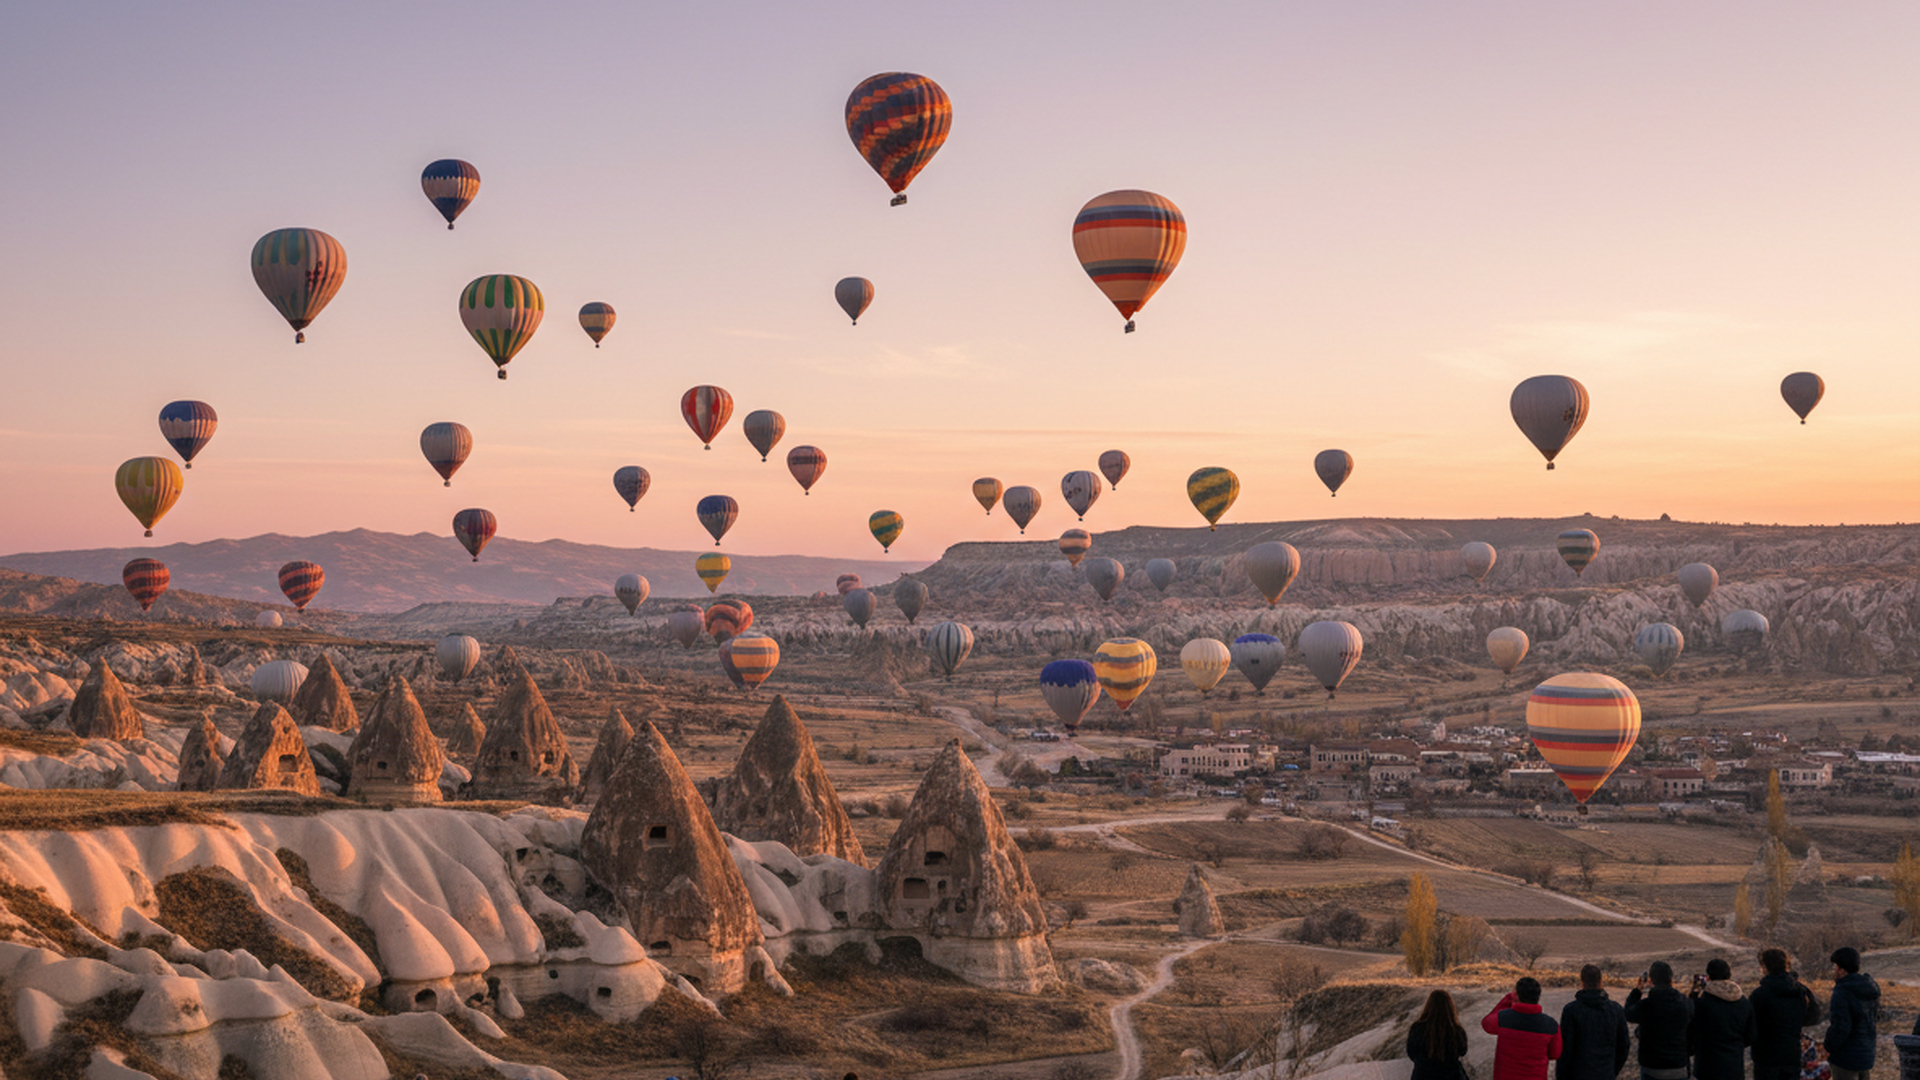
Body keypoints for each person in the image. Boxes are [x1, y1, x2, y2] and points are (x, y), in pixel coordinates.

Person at [1751, 948, 1822, 1080]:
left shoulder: (1759, 994)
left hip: (1765, 1056)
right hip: (1792, 1054)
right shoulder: (1800, 990)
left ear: (1765, 967)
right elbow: (1814, 1015)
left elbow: (1750, 1025)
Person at [1559, 964, 1630, 1080]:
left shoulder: (1571, 1011)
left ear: (1582, 982)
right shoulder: (1616, 1010)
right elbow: (1624, 1046)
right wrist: (1612, 1070)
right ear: (1601, 981)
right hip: (1606, 1074)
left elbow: (1566, 1051)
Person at [1624, 961, 1694, 1080]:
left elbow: (1628, 1013)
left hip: (1652, 1068)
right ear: (1671, 980)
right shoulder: (1686, 1004)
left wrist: (1637, 991)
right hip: (1678, 1067)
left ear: (1650, 981)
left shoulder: (1646, 1006)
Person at [1484, 976, 1563, 1080]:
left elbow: (1486, 1024)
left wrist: (1507, 999)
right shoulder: (1551, 1025)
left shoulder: (1503, 1018)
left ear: (1517, 995)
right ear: (1538, 996)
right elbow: (1555, 1054)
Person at [1690, 958, 1756, 1080]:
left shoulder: (1702, 1003)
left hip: (1707, 1067)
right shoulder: (1744, 1003)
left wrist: (1694, 994)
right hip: (1734, 1067)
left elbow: (1692, 1029)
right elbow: (1751, 1035)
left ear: (1708, 978)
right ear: (1729, 976)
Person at [1823, 947, 1880, 1080]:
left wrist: (1828, 1047)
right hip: (1866, 1054)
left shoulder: (1842, 992)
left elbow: (1841, 1027)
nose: (1833, 970)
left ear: (1842, 970)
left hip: (1845, 1057)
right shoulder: (1869, 988)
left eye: (1835, 967)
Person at [1409, 989, 1471, 1080]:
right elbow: (1463, 1051)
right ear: (1450, 1007)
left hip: (1422, 1075)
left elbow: (1411, 1052)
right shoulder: (1456, 1030)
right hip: (1452, 1076)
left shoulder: (1417, 1028)